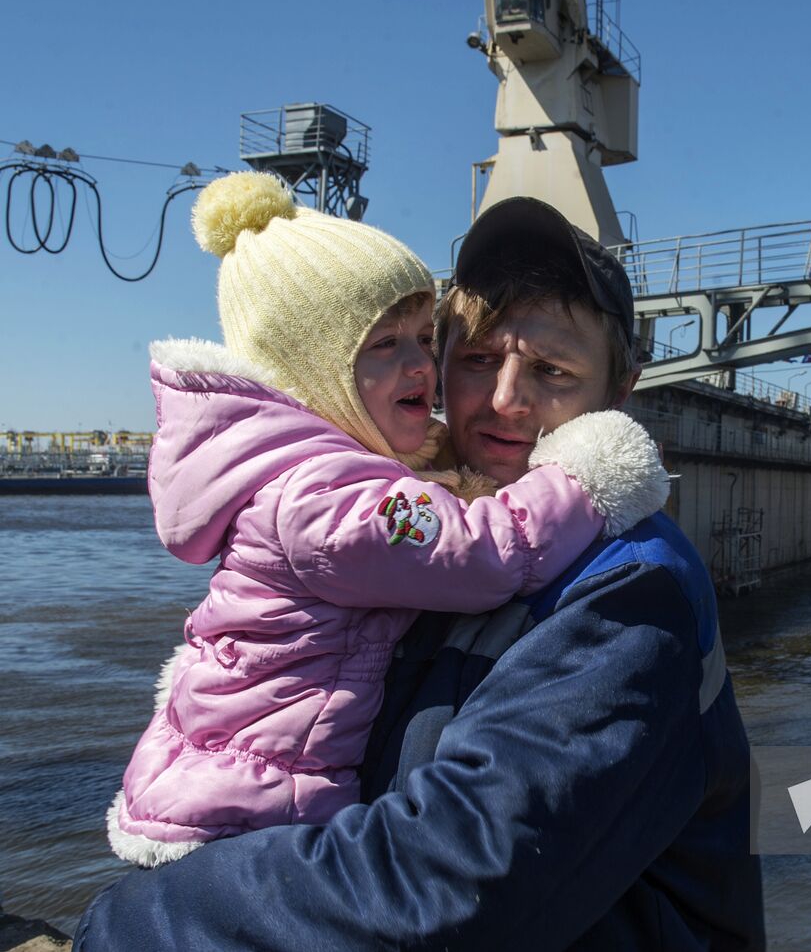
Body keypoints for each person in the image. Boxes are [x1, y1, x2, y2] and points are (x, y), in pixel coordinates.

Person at [75, 197, 765, 950]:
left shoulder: (632, 591)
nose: (505, 398)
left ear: (618, 393)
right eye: (475, 359)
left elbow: (453, 880)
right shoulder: (411, 540)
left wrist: (136, 918)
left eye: (552, 369)